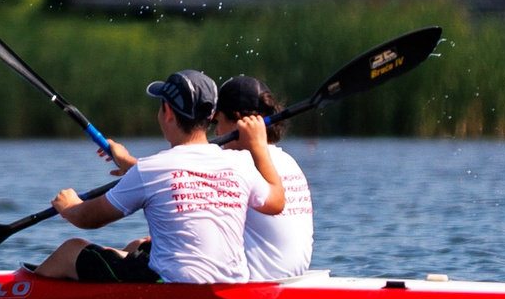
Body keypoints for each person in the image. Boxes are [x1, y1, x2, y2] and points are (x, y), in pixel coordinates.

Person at [27, 68, 284, 285]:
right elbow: (276, 202)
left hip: (170, 285)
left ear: (168, 112)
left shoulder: (151, 168)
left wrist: (69, 207)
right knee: (138, 245)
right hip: (231, 284)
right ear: (210, 117)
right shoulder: (238, 162)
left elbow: (90, 219)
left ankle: (21, 292)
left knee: (71, 250)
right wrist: (259, 148)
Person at [213, 75, 313, 281]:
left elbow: (167, 181)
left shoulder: (236, 164)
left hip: (256, 284)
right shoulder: (288, 161)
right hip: (294, 279)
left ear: (239, 121)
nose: (215, 130)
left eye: (218, 120)